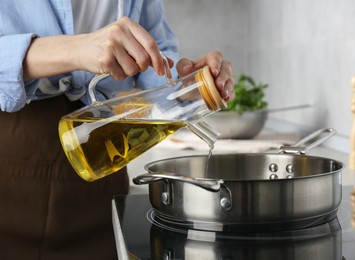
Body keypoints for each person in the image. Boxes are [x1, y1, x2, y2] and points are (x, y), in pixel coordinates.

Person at [0, 0, 234, 259]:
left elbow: (155, 54)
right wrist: (76, 49)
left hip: (103, 150)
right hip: (13, 156)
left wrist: (189, 83)